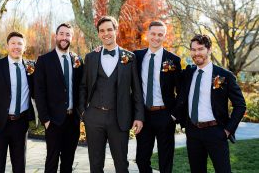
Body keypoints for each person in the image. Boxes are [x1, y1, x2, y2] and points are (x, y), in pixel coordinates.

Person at [78, 16, 144, 173]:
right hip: (94, 118)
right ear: (98, 34)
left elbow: (136, 90)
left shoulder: (129, 57)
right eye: (102, 31)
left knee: (121, 164)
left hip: (119, 118)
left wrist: (139, 116)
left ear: (116, 30)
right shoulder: (91, 57)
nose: (106, 33)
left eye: (109, 29)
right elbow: (83, 86)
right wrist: (83, 112)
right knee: (95, 164)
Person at [176, 34, 246, 173]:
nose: (196, 53)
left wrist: (227, 130)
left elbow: (240, 105)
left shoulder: (224, 75)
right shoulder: (189, 73)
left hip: (216, 132)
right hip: (193, 132)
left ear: (209, 50)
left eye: (200, 49)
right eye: (193, 50)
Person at [0, 31, 35, 173]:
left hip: (21, 124)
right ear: (7, 45)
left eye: (20, 44)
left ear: (25, 47)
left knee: (19, 166)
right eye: (13, 43)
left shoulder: (31, 67)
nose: (16, 47)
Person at [34, 23, 83, 173]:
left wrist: (80, 114)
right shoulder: (44, 60)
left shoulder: (78, 60)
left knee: (68, 162)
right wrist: (45, 120)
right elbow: (39, 92)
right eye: (61, 34)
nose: (64, 37)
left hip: (72, 120)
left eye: (68, 34)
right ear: (56, 36)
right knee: (52, 161)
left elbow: (82, 88)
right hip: (53, 121)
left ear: (71, 37)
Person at [134, 20, 182, 173]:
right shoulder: (136, 56)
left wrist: (174, 115)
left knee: (165, 161)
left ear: (164, 36)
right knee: (141, 160)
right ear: (147, 34)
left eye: (160, 34)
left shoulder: (173, 60)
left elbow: (181, 91)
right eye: (153, 34)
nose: (156, 37)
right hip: (144, 116)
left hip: (165, 115)